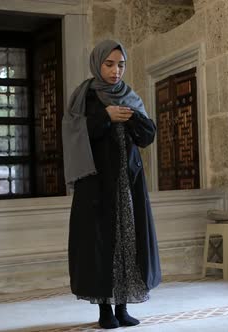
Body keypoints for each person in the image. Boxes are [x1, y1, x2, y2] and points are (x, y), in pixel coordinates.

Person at [62, 39, 161, 329]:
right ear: (97, 64)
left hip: (127, 184)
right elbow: (71, 134)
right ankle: (104, 310)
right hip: (95, 184)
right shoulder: (84, 97)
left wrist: (130, 119)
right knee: (100, 244)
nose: (116, 71)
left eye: (121, 65)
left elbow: (147, 137)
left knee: (127, 243)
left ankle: (122, 306)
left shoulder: (129, 95)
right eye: (109, 64)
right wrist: (105, 117)